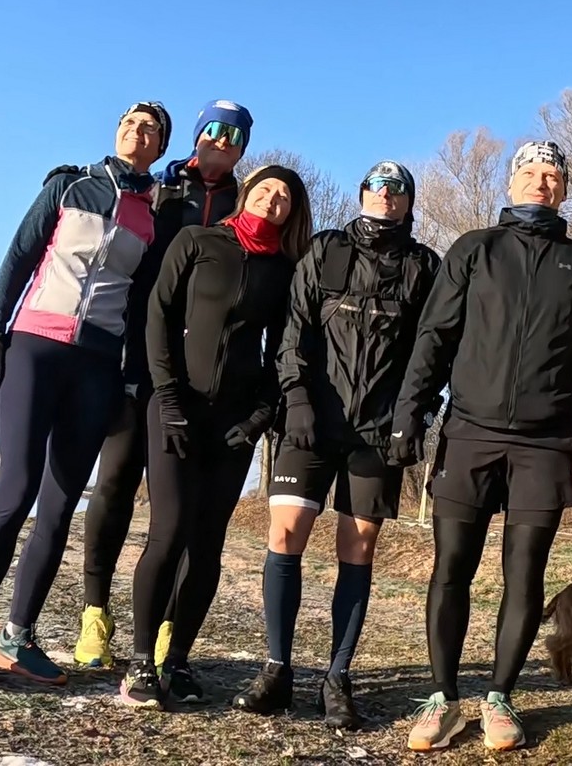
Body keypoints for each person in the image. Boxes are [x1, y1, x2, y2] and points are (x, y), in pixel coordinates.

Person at [395, 140, 572, 752]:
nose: (541, 183)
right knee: (452, 567)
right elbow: (435, 334)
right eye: (531, 172)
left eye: (553, 175)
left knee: (525, 574)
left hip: (545, 442)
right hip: (470, 430)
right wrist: (409, 412)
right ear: (512, 181)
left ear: (564, 188)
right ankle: (443, 699)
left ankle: (500, 697)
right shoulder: (475, 249)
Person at [0, 102, 168, 685]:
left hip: (97, 365)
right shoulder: (69, 185)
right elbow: (18, 257)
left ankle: (17, 637)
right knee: (15, 491)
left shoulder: (152, 216)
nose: (137, 132)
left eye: (150, 129)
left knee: (61, 504)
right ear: (117, 132)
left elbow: (142, 304)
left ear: (161, 147)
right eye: (130, 123)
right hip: (35, 347)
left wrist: (130, 378)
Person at [232, 161, 439, 729]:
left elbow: (432, 351)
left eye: (399, 189)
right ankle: (277, 670)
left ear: (408, 202)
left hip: (378, 433)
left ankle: (337, 678)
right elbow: (292, 331)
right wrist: (295, 398)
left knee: (359, 547)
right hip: (310, 423)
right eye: (378, 186)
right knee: (285, 534)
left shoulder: (425, 265)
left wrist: (415, 416)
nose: (387, 195)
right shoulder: (324, 249)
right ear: (363, 193)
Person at [118, 165, 312, 708]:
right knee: (169, 530)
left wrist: (259, 417)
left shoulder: (285, 270)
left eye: (285, 196)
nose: (273, 200)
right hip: (176, 407)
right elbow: (158, 315)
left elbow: (283, 349)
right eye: (266, 189)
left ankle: (177, 660)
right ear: (247, 193)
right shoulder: (197, 241)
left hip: (235, 424)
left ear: (293, 212)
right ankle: (141, 662)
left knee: (207, 543)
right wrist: (167, 396)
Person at [75, 99, 252, 671]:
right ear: (197, 135)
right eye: (213, 130)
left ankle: (165, 629)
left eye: (235, 135)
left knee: (182, 513)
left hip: (197, 376)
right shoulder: (162, 189)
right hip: (138, 358)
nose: (222, 141)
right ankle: (95, 612)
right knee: (116, 481)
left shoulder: (244, 204)